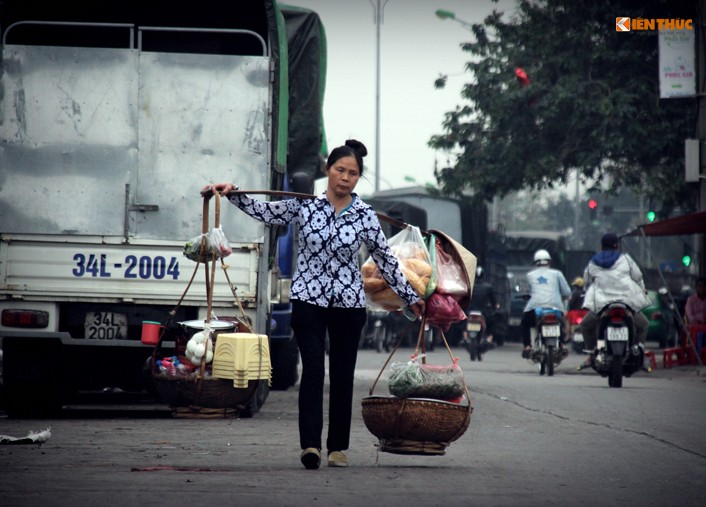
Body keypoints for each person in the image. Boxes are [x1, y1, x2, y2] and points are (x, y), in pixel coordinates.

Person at [201, 139, 425, 470]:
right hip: (309, 301)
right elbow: (266, 211)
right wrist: (232, 193)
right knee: (313, 372)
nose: (345, 178)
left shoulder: (365, 216)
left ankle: (337, 447)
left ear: (358, 179)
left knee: (343, 375)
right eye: (340, 170)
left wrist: (412, 298)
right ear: (327, 171)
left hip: (348, 305)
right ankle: (310, 445)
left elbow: (387, 262)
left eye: (352, 173)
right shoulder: (304, 205)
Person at [577, 233, 650, 369]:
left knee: (585, 326)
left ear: (602, 246)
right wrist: (642, 289)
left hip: (602, 304)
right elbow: (638, 276)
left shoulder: (593, 261)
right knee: (644, 325)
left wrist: (587, 291)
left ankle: (593, 353)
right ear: (617, 246)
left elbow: (587, 281)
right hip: (627, 303)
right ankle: (638, 352)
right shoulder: (626, 259)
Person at [520, 249, 571, 358]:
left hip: (536, 310)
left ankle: (528, 347)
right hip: (555, 309)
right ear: (549, 262)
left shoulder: (529, 275)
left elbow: (523, 290)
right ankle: (562, 344)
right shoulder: (557, 274)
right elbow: (567, 292)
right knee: (560, 323)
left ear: (535, 263)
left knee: (525, 322)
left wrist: (526, 295)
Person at [468, 266, 498, 341]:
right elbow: (493, 301)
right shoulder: (488, 287)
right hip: (483, 312)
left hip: (470, 311)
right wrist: (495, 306)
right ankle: (489, 338)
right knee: (492, 322)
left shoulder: (470, 286)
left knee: (462, 322)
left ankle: (464, 336)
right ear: (483, 276)